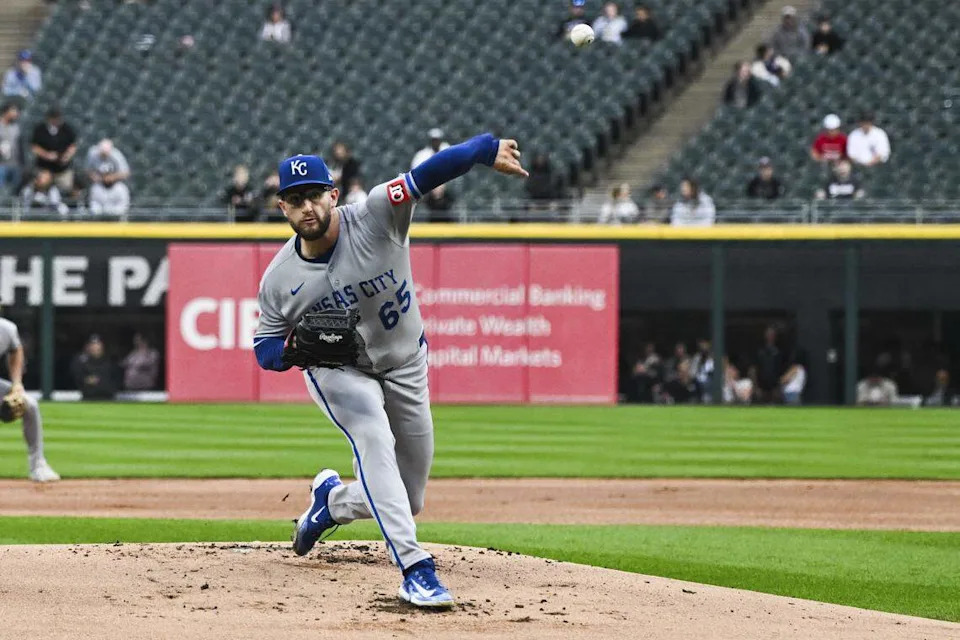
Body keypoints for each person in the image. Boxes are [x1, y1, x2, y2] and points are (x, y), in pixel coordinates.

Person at [254, 132, 528, 608]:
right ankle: (416, 568)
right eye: (295, 200)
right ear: (283, 208)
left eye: (315, 195)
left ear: (333, 195)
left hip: (405, 362)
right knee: (372, 437)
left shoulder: (378, 213)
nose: (308, 208)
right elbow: (263, 348)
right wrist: (296, 349)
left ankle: (333, 503)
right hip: (340, 371)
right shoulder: (279, 279)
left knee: (410, 495)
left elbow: (430, 174)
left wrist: (485, 149)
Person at [0, 314, 59, 482]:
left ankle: (38, 465)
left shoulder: (7, 329)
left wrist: (17, 383)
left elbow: (16, 350)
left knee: (30, 405)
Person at [30, 106, 77, 195]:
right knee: (41, 186)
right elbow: (34, 147)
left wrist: (67, 156)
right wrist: (47, 155)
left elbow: (73, 145)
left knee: (66, 187)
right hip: (44, 167)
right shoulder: (40, 129)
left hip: (62, 168)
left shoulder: (66, 129)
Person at [85, 138, 131, 216]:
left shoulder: (116, 155)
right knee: (95, 207)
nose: (104, 156)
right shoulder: (92, 154)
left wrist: (112, 177)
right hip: (99, 185)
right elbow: (87, 170)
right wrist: (97, 177)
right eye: (102, 154)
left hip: (115, 185)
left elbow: (126, 173)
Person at [70, 334, 116, 400]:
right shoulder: (80, 361)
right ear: (87, 346)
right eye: (92, 345)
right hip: (88, 398)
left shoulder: (111, 362)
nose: (95, 347)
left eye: (97, 344)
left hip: (108, 398)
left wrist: (102, 382)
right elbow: (76, 376)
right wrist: (86, 380)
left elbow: (115, 380)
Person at [752, 326, 784, 404]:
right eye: (768, 334)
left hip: (775, 386)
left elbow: (783, 369)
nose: (770, 336)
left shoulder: (780, 351)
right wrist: (755, 387)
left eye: (772, 334)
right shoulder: (759, 351)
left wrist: (779, 386)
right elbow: (753, 369)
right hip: (761, 385)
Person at [0, 102, 22, 193]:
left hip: (15, 164)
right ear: (6, 112)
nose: (16, 113)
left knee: (14, 192)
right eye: (13, 111)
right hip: (1, 164)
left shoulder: (16, 127)